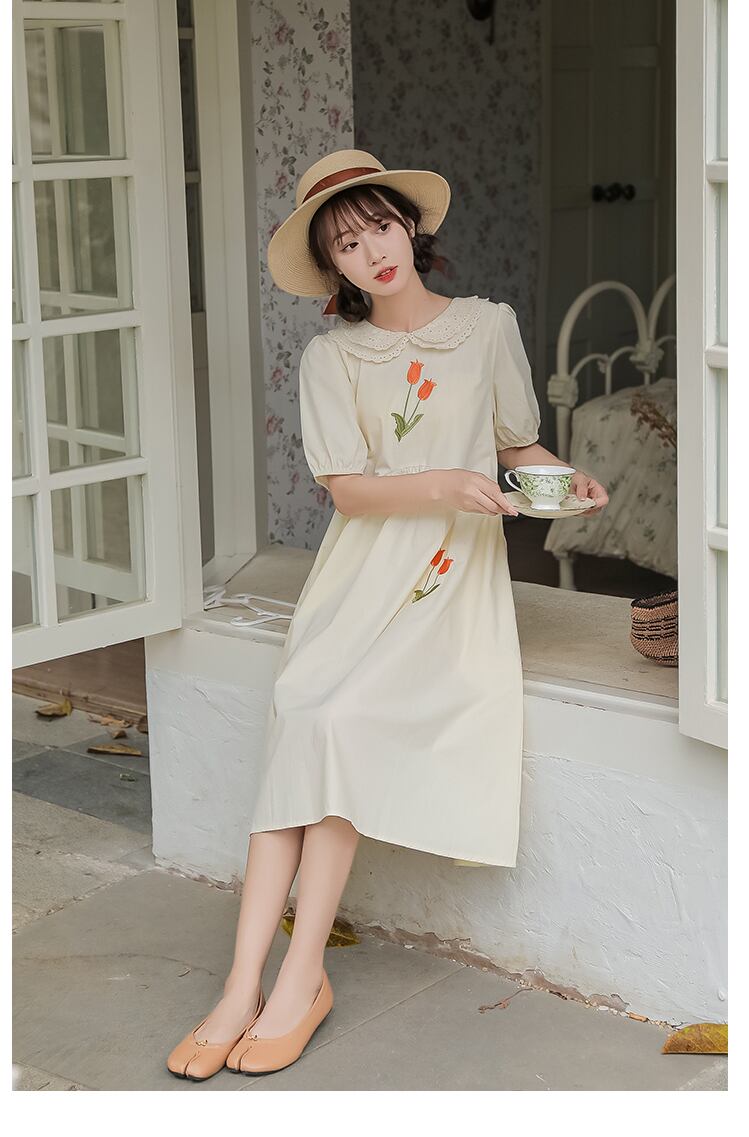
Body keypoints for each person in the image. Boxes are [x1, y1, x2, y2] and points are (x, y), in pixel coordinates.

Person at [167, 149, 609, 1082]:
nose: (372, 250)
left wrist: (568, 481)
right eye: (346, 244)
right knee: (303, 717)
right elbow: (349, 491)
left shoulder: (488, 326)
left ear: (410, 226)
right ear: (332, 268)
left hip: (446, 585)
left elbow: (516, 444)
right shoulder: (330, 355)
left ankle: (299, 977)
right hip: (357, 580)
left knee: (338, 722)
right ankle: (241, 985)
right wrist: (446, 479)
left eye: (379, 225)